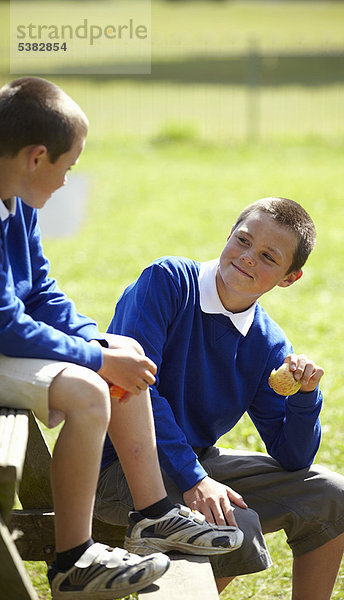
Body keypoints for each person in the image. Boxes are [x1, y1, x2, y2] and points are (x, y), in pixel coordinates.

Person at [0, 77, 242, 600]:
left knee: (124, 353)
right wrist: (94, 359)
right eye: (69, 165)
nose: (67, 181)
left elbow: (40, 291)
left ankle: (154, 514)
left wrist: (103, 346)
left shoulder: (16, 200)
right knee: (91, 388)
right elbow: (4, 323)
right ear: (37, 157)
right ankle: (73, 560)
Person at [96, 197, 344, 599]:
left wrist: (305, 397)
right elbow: (136, 392)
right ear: (229, 233)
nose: (247, 258)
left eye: (267, 257)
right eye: (243, 241)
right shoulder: (167, 281)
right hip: (119, 467)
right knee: (233, 526)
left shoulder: (267, 343)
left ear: (289, 278)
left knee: (332, 494)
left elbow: (293, 457)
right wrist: (195, 479)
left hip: (194, 462)